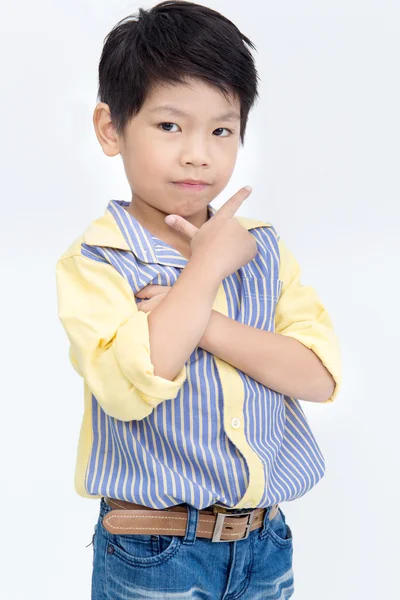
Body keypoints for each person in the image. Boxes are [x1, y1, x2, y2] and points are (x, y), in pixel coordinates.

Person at [55, 2, 342, 598]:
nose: (197, 154)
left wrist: (203, 322)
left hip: (264, 541)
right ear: (111, 129)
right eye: (169, 126)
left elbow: (317, 376)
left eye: (221, 129)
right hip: (152, 548)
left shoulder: (261, 248)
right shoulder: (99, 260)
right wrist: (207, 264)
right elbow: (134, 382)